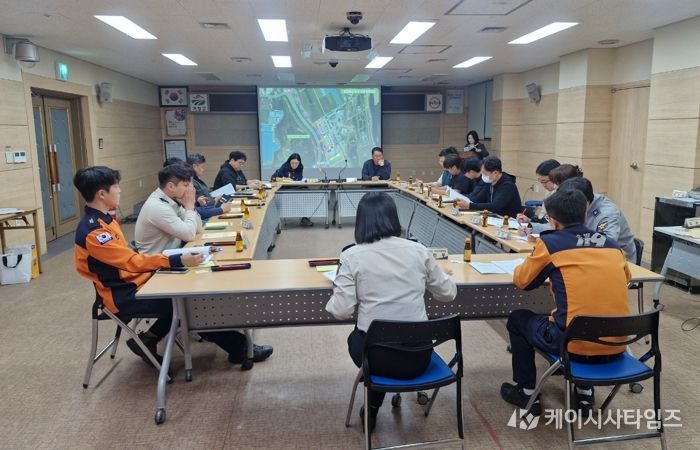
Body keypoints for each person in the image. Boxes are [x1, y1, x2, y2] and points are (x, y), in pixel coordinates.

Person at [325, 192, 457, 433]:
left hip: (376, 359)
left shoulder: (352, 255)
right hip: (419, 357)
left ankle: (372, 407)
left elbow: (341, 311)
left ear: (361, 222)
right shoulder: (419, 250)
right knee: (389, 337)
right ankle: (375, 403)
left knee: (360, 338)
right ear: (394, 219)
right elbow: (448, 294)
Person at [501, 189, 631, 417]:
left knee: (518, 318)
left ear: (552, 221)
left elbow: (523, 281)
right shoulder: (612, 246)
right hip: (617, 344)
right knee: (587, 317)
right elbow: (626, 279)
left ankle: (527, 391)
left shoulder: (551, 243)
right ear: (585, 214)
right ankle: (584, 394)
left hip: (573, 345)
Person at [73, 166, 205, 366]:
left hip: (137, 280)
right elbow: (131, 262)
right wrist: (175, 260)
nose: (120, 190)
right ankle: (239, 348)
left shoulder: (105, 220)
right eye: (116, 187)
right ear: (102, 194)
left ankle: (148, 339)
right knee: (187, 302)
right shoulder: (94, 232)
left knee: (189, 291)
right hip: (123, 294)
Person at [559, 177, 637, 263]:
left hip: (618, 261)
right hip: (584, 255)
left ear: (585, 202)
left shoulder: (607, 213)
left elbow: (606, 245)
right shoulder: (580, 198)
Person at [135, 162, 202, 254]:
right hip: (157, 260)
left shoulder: (171, 199)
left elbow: (198, 229)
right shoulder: (158, 207)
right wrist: (189, 207)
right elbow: (189, 235)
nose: (190, 189)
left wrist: (190, 208)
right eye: (186, 185)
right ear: (171, 186)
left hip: (172, 253)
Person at [455, 156, 521, 217]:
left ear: (495, 173)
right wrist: (463, 201)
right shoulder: (490, 182)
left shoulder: (507, 185)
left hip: (507, 220)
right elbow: (479, 199)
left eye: (484, 173)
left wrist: (469, 205)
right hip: (493, 216)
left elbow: (494, 206)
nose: (482, 175)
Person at [516, 159, 560, 233]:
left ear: (556, 177)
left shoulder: (563, 198)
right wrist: (528, 221)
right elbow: (543, 220)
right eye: (541, 182)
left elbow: (555, 228)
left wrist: (531, 227)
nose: (544, 185)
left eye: (545, 181)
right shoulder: (550, 192)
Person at [271, 153, 313, 227]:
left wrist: (296, 180)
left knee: (306, 191)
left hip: (296, 187)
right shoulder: (284, 167)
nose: (294, 165)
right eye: (292, 163)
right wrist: (283, 179)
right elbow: (273, 178)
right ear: (289, 162)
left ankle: (304, 217)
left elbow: (299, 178)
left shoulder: (300, 167)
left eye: (296, 163)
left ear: (299, 163)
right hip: (285, 189)